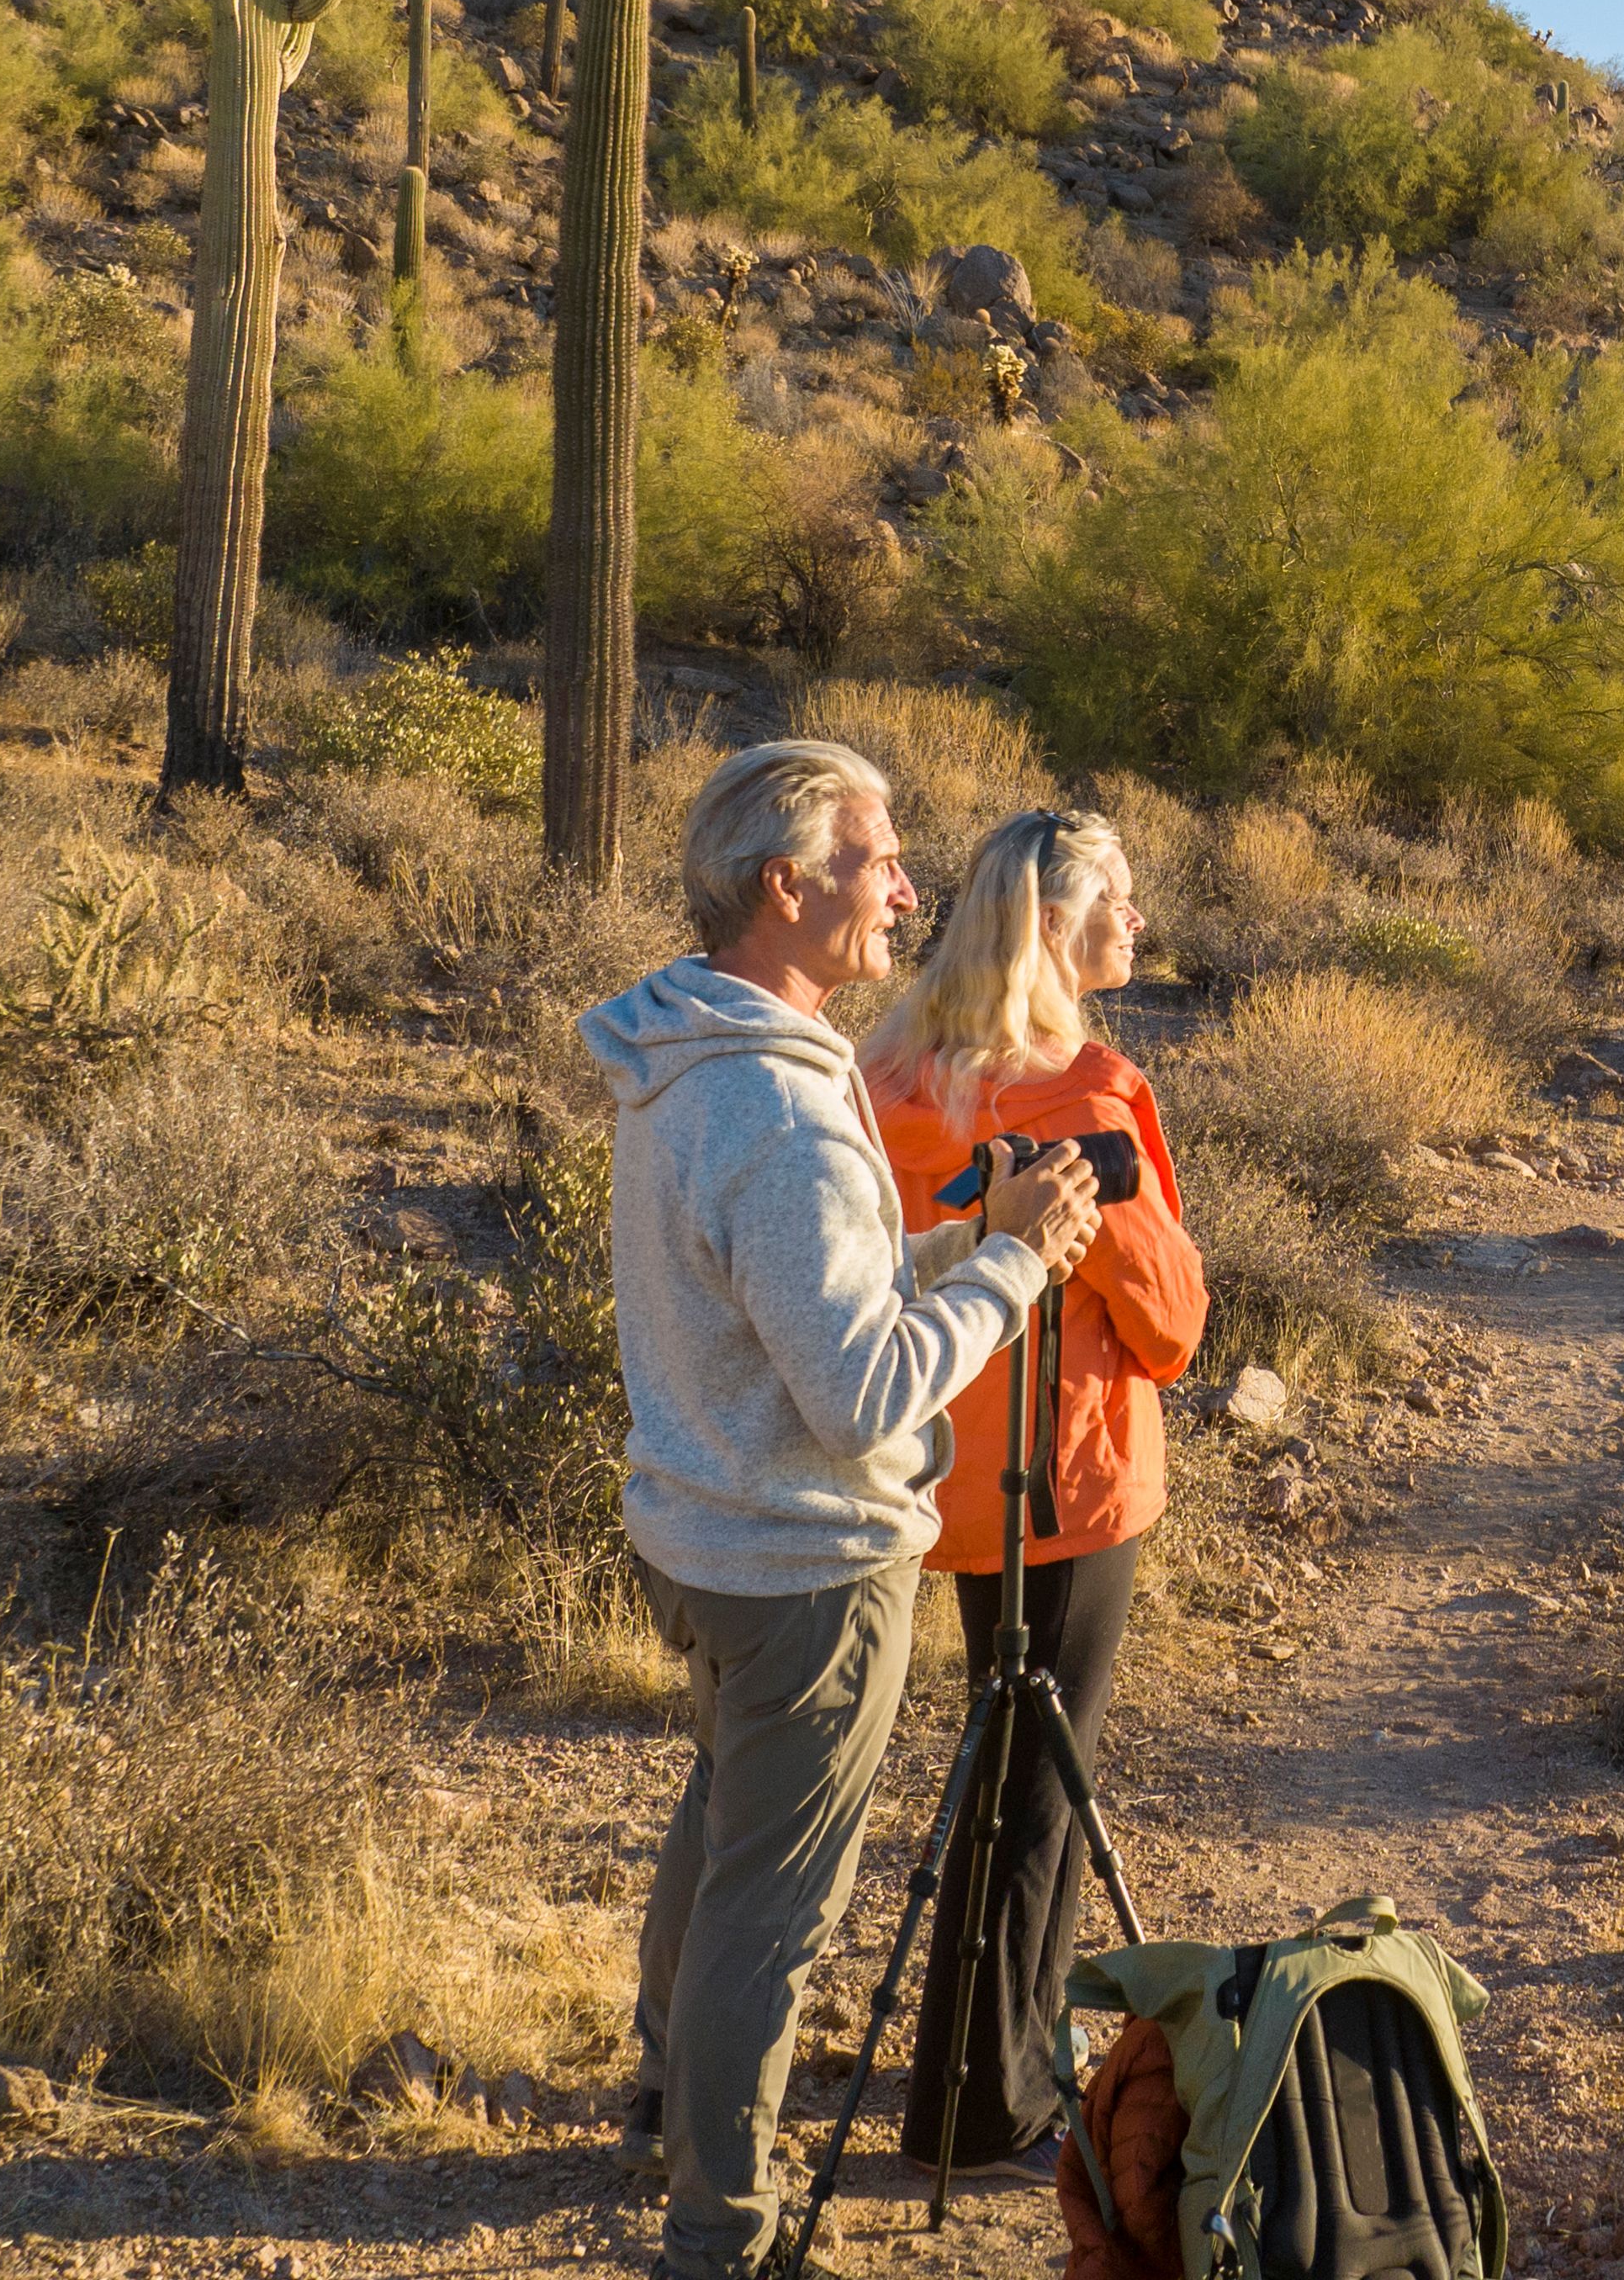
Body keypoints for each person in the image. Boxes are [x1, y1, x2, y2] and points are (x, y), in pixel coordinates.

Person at [584, 741, 1107, 2280]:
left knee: (725, 1819)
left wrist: (968, 1244)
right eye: (878, 859)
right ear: (784, 884)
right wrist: (1015, 1268)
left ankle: (668, 2083)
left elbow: (804, 1313)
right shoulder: (786, 1114)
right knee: (776, 1900)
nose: (906, 886)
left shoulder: (692, 1057)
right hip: (806, 1557)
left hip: (704, 1525)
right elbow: (867, 1394)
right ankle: (726, 2229)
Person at [853, 807, 1209, 2184]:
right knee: (1037, 1790)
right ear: (1058, 923)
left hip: (917, 1465)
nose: (1138, 924)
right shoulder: (1086, 1093)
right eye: (1119, 900)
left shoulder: (885, 1068)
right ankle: (979, 2100)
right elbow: (1173, 1325)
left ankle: (965, 2065)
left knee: (985, 1770)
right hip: (1067, 1484)